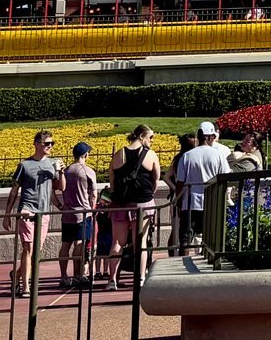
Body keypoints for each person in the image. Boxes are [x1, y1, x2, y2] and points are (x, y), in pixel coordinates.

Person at [3, 130, 62, 297]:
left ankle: (17, 275)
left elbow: (58, 188)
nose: (50, 146)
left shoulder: (52, 164)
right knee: (28, 248)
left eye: (52, 143)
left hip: (44, 211)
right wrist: (7, 215)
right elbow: (14, 191)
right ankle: (26, 286)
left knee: (37, 251)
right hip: (27, 210)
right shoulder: (24, 165)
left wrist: (61, 172)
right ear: (37, 144)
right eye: (47, 143)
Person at [104, 125, 160, 291]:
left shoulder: (118, 154)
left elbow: (112, 182)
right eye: (150, 137)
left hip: (121, 203)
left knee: (117, 242)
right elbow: (156, 179)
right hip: (142, 202)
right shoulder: (150, 154)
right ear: (142, 136)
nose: (151, 141)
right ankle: (140, 277)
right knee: (140, 241)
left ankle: (112, 279)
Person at [172, 121, 232, 251]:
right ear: (211, 137)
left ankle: (182, 265)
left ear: (199, 136)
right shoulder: (218, 156)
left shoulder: (187, 156)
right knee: (211, 240)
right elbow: (225, 178)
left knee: (186, 241)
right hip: (212, 203)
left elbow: (180, 182)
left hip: (190, 204)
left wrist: (178, 202)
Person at [56, 142, 98, 291]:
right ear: (85, 155)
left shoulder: (66, 171)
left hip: (67, 213)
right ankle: (77, 275)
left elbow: (53, 190)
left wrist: (60, 206)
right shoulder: (87, 171)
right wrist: (93, 211)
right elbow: (93, 195)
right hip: (83, 213)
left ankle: (63, 276)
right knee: (79, 244)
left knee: (66, 244)